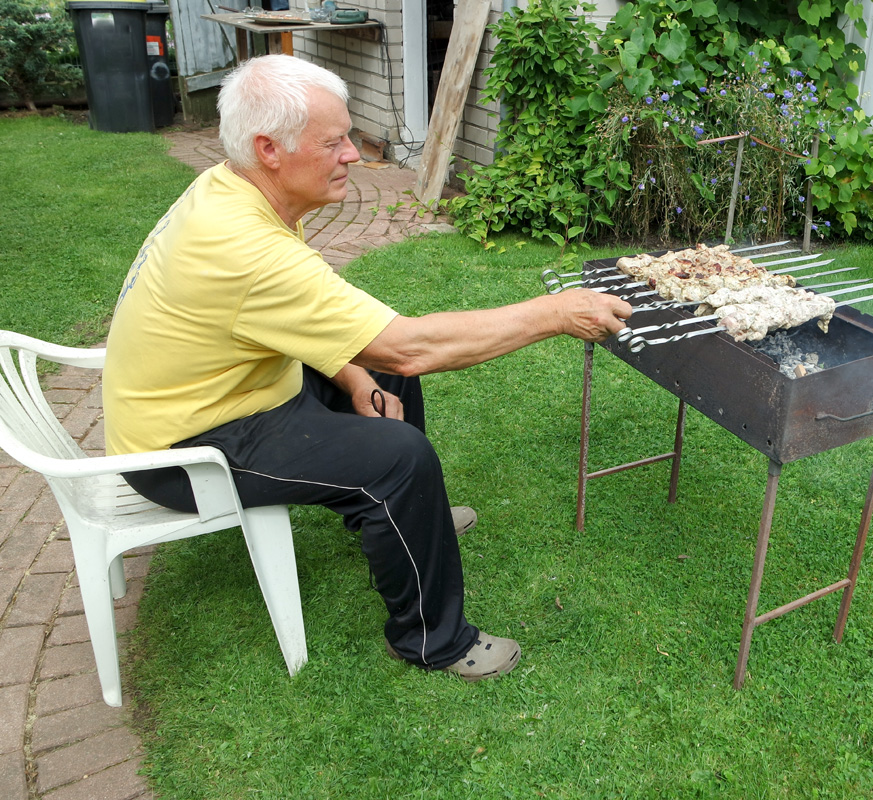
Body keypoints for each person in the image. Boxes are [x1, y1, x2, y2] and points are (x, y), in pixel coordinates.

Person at [101, 54, 630, 682]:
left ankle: (408, 520)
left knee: (380, 374)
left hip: (223, 392)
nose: (353, 153)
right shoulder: (243, 246)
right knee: (398, 455)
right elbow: (410, 345)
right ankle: (432, 640)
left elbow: (324, 336)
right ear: (269, 149)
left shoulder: (232, 189)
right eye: (335, 142)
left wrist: (355, 376)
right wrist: (556, 312)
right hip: (184, 451)